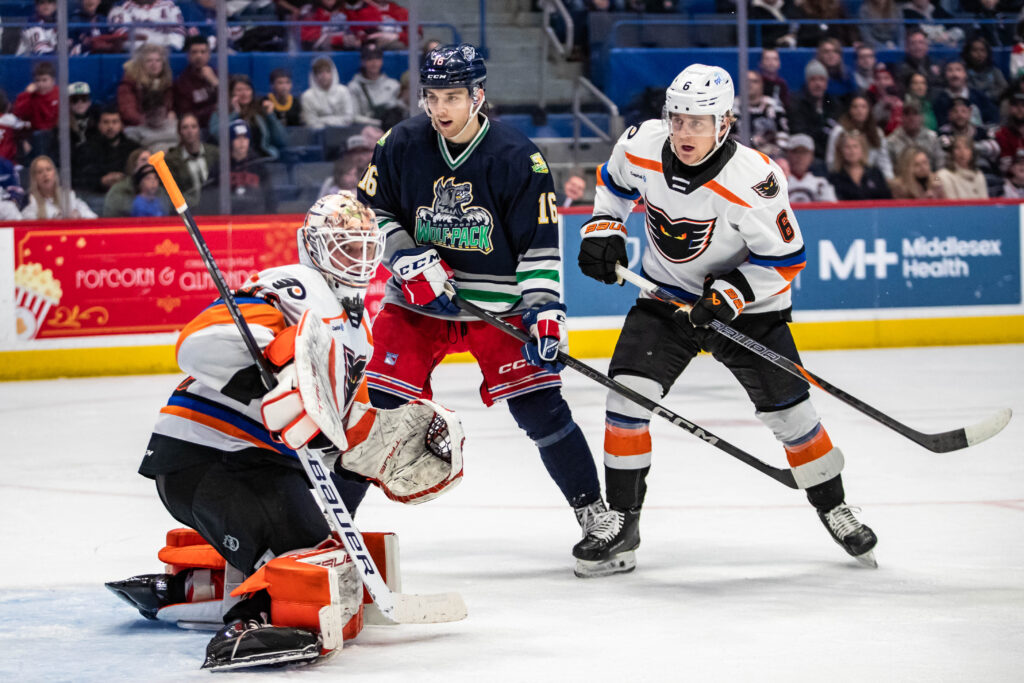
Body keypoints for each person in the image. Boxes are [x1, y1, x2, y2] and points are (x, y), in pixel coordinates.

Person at [105, 192, 464, 670]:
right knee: (296, 557)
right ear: (312, 246)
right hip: (205, 456)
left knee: (319, 557)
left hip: (260, 465)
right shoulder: (297, 285)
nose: (356, 258)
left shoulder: (359, 331)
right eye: (343, 246)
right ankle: (242, 625)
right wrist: (276, 352)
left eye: (363, 247)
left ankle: (188, 587)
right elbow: (197, 345)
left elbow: (341, 431)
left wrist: (386, 447)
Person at [575, 64, 876, 574]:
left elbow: (785, 262)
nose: (684, 132)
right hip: (666, 297)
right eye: (677, 119)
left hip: (749, 311)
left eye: (698, 122)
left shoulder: (754, 179)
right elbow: (613, 182)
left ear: (726, 122)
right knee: (626, 395)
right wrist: (603, 226)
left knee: (791, 417)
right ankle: (622, 520)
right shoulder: (643, 144)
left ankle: (834, 506)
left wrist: (728, 296)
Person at [354, 43, 613, 576]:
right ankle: (328, 530)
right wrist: (404, 257)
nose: (441, 108)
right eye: (432, 97)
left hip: (498, 306)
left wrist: (544, 314)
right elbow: (372, 210)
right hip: (419, 306)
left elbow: (539, 247)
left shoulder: (520, 157)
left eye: (452, 96)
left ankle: (596, 515)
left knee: (540, 408)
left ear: (478, 96)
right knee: (379, 409)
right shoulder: (400, 142)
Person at [209, 75, 286, 160]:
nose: (244, 93)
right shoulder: (220, 112)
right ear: (231, 93)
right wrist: (235, 114)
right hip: (233, 161)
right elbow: (217, 136)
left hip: (262, 158)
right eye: (239, 90)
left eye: (247, 89)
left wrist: (270, 115)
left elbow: (282, 141)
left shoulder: (259, 111)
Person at [72, 106, 139, 197]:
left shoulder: (133, 148)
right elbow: (78, 179)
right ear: (99, 125)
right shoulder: (86, 149)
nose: (110, 126)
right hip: (96, 195)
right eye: (106, 122)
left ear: (121, 125)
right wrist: (101, 181)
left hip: (128, 194)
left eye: (114, 122)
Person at [825, 94, 894, 180]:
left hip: (871, 177)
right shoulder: (839, 131)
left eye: (863, 107)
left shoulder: (877, 132)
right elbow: (831, 161)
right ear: (849, 110)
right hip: (844, 177)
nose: (859, 110)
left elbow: (884, 161)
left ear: (869, 110)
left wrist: (889, 179)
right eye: (855, 107)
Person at [787, 60, 842, 165]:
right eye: (813, 80)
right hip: (808, 156)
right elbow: (800, 132)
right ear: (807, 82)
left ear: (826, 83)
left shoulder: (833, 103)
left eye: (821, 79)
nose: (818, 84)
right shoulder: (796, 102)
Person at [164, 113, 218, 209]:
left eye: (193, 127)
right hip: (188, 210)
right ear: (179, 132)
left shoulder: (215, 153)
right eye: (185, 127)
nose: (190, 131)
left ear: (199, 130)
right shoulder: (171, 159)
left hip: (215, 208)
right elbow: (172, 192)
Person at [21, 155, 97, 220]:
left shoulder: (68, 195)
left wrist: (79, 214)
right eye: (40, 172)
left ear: (55, 173)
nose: (45, 174)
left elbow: (93, 217)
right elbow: (25, 221)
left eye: (48, 169)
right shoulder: (30, 201)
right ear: (34, 178)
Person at [117, 44, 175, 127]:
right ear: (140, 64)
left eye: (158, 60)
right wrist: (149, 123)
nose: (154, 64)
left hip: (161, 125)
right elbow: (128, 112)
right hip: (137, 127)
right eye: (149, 61)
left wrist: (169, 114)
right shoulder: (129, 83)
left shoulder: (166, 83)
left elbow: (169, 108)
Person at [828, 129, 893, 200]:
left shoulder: (875, 173)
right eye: (847, 147)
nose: (852, 151)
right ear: (841, 151)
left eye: (855, 146)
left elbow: (886, 200)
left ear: (862, 149)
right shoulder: (835, 177)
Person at [348, 42, 402, 125]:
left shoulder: (394, 85)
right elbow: (354, 117)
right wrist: (380, 123)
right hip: (365, 132)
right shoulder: (354, 87)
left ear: (382, 61)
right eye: (369, 59)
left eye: (377, 58)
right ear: (362, 62)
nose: (374, 62)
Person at [228, 120, 275, 214]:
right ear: (231, 141)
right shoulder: (221, 165)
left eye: (245, 137)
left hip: (255, 217)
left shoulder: (258, 165)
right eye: (237, 138)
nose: (242, 142)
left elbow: (269, 197)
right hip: (229, 217)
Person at [173, 35, 219, 128]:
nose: (199, 56)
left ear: (209, 54)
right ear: (188, 55)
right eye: (194, 52)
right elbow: (186, 115)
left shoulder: (219, 75)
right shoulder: (182, 82)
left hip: (221, 125)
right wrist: (213, 109)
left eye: (203, 52)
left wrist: (215, 82)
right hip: (198, 128)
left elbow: (232, 102)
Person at [301, 57, 359, 130]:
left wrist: (323, 121)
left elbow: (349, 118)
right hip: (317, 136)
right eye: (320, 72)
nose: (324, 75)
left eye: (327, 71)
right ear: (314, 76)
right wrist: (335, 121)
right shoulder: (307, 96)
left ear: (333, 73)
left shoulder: (343, 91)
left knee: (376, 141)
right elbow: (310, 122)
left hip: (344, 132)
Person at [108, 0, 186, 53]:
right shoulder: (120, 8)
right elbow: (123, 38)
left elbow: (179, 33)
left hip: (166, 55)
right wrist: (149, 51)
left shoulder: (170, 6)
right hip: (135, 57)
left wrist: (168, 49)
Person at [887, 100, 945, 170]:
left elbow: (940, 168)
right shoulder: (891, 141)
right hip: (902, 179)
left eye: (915, 113)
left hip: (930, 179)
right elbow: (889, 171)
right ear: (901, 118)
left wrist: (936, 181)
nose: (911, 118)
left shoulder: (932, 138)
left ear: (921, 117)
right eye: (907, 114)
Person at [784, 133, 837, 202]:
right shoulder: (778, 183)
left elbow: (832, 209)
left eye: (804, 152)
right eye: (796, 152)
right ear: (788, 155)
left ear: (811, 156)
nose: (800, 157)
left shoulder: (821, 184)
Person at [936, 134, 989, 199]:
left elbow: (985, 203)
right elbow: (951, 205)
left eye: (966, 147)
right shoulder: (943, 175)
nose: (962, 152)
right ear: (952, 152)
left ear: (972, 152)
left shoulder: (979, 175)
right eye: (958, 148)